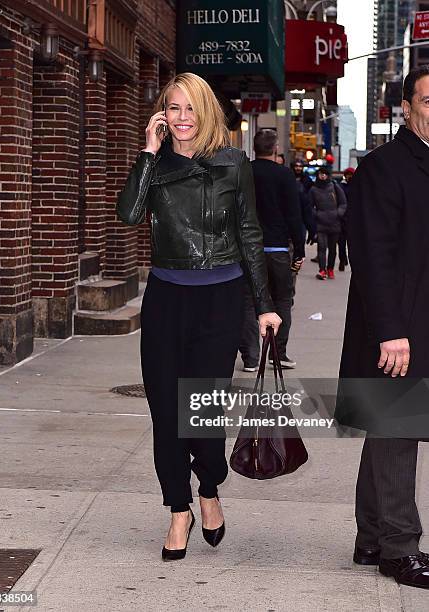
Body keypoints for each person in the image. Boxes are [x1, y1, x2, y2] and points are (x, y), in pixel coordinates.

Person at [116, 72, 280, 561]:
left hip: (219, 299)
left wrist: (265, 305)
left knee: (203, 410)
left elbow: (250, 234)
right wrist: (148, 150)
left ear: (205, 111)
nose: (180, 118)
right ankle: (178, 508)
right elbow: (128, 215)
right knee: (166, 412)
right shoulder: (156, 165)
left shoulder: (233, 164)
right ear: (161, 114)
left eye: (189, 108)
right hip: (167, 299)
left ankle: (209, 487)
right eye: (172, 108)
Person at [336, 65, 429, 588]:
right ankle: (400, 549)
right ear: (408, 107)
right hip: (397, 326)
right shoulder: (385, 167)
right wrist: (391, 331)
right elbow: (373, 257)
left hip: (420, 321)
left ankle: (371, 537)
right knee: (399, 430)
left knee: (386, 431)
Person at [239, 130, 305, 372]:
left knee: (247, 302)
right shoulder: (284, 175)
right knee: (282, 300)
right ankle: (278, 354)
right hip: (277, 248)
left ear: (254, 148)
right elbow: (293, 214)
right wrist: (299, 249)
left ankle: (250, 358)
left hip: (247, 249)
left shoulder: (245, 172)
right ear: (275, 148)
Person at [309, 166, 347, 280]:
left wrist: (338, 213)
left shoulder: (335, 187)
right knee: (321, 247)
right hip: (321, 223)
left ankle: (330, 269)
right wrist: (316, 214)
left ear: (328, 175)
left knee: (332, 249)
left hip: (334, 223)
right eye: (321, 174)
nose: (323, 176)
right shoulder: (313, 190)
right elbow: (309, 206)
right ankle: (322, 270)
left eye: (325, 174)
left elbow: (343, 203)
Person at [337, 167, 355, 271]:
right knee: (341, 242)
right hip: (342, 218)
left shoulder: (357, 186)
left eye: (351, 174)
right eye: (347, 174)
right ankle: (342, 260)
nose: (349, 176)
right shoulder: (341, 186)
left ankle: (348, 259)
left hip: (353, 219)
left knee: (352, 242)